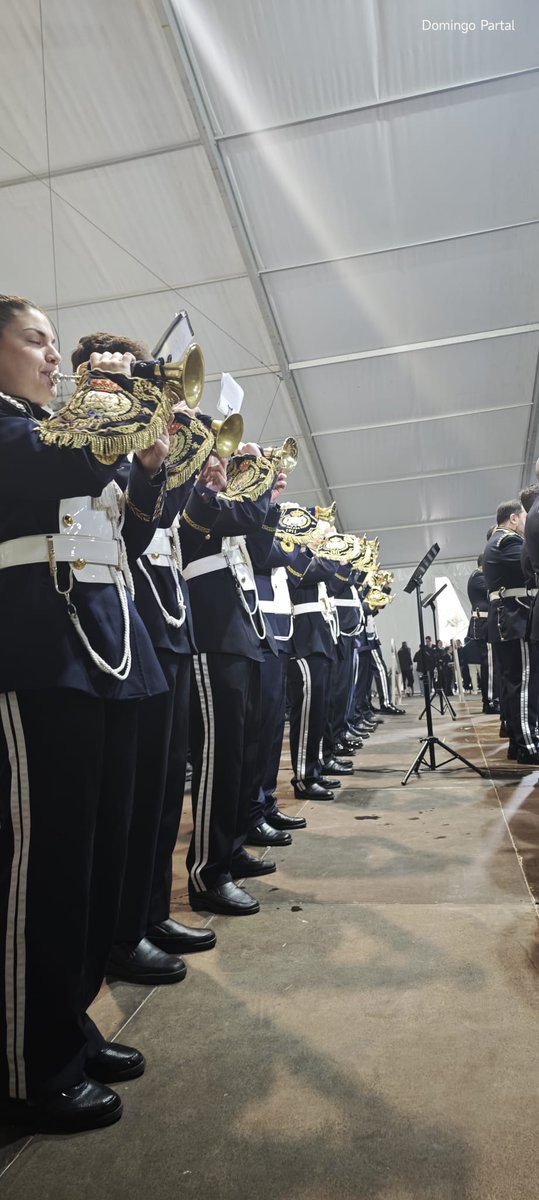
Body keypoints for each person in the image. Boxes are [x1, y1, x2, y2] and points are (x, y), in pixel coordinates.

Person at [0, 295, 173, 1132]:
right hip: (33, 654)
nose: (50, 355)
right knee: (41, 872)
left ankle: (63, 1028)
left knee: (88, 860)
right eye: (34, 339)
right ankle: (27, 1066)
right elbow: (53, 463)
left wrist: (145, 466)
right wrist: (111, 402)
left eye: (52, 342)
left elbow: (126, 536)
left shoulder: (42, 426)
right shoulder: (12, 428)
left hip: (87, 652)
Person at [69, 332, 223, 987]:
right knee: (114, 809)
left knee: (160, 793)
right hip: (104, 630)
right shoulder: (59, 433)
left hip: (145, 628)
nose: (121, 384)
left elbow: (156, 517)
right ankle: (118, 933)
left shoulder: (129, 446)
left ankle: (146, 913)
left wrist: (173, 452)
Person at [483, 499, 538, 764]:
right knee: (524, 683)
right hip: (514, 617)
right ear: (514, 519)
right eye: (526, 517)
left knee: (515, 684)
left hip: (507, 618)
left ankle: (519, 743)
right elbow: (530, 567)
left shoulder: (498, 541)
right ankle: (528, 744)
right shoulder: (507, 541)